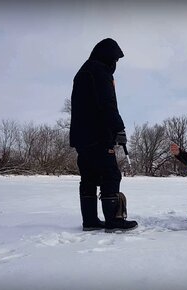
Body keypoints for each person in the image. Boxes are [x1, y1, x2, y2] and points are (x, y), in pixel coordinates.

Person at [69, 38, 137, 232]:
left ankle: (90, 221)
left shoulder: (82, 72)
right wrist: (118, 128)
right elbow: (107, 104)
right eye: (115, 60)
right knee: (110, 175)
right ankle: (113, 221)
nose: (116, 64)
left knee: (89, 176)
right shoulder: (100, 71)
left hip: (82, 137)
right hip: (98, 135)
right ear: (109, 57)